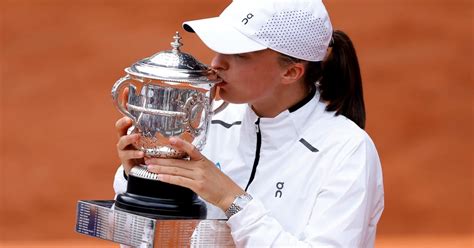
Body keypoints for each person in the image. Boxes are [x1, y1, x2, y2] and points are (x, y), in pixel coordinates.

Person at [113, 0, 384, 247]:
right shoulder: (210, 126)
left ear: (290, 71)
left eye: (240, 54)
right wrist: (143, 184)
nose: (216, 64)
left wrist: (233, 202)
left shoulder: (347, 150)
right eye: (219, 48)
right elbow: (147, 243)